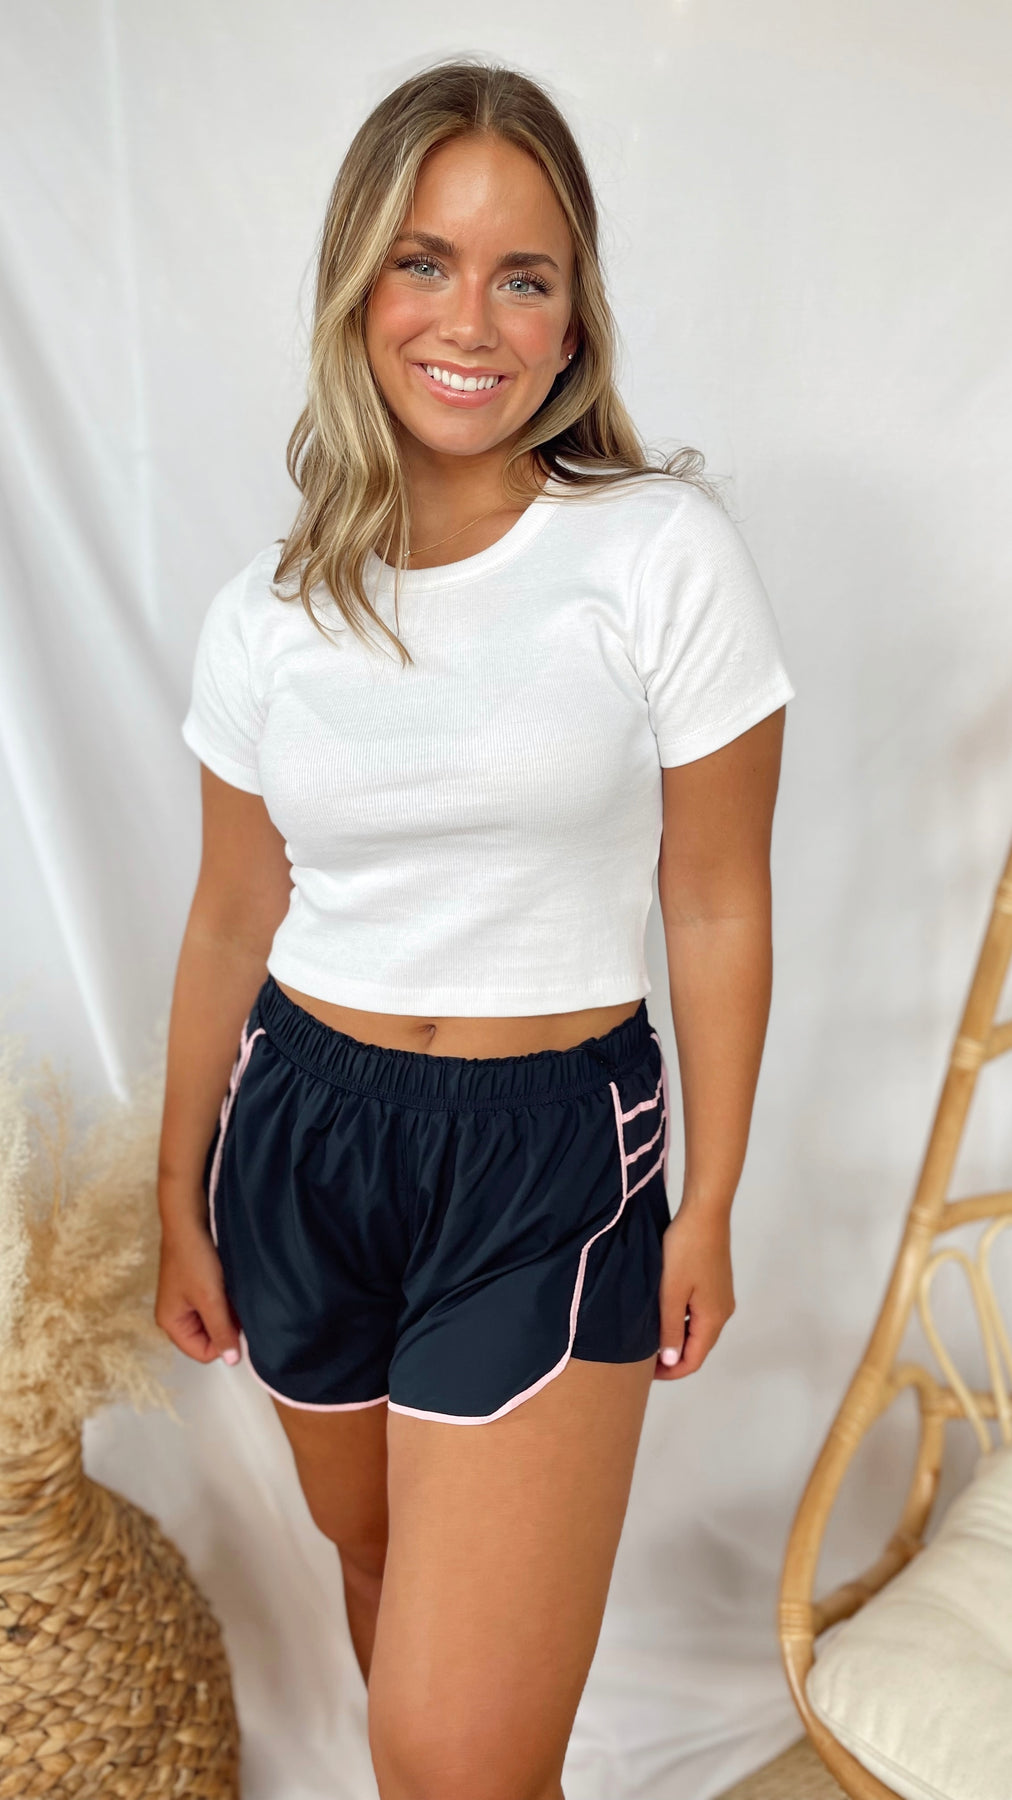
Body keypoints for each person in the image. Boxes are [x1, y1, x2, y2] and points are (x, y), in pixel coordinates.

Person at [156, 56, 793, 1800]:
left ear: (575, 319)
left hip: (548, 1158)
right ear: (356, 283)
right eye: (425, 261)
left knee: (450, 1750)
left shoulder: (658, 553)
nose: (471, 321)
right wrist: (176, 1192)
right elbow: (230, 913)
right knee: (377, 1578)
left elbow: (717, 896)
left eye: (526, 276)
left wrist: (710, 1198)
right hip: (301, 1137)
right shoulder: (268, 611)